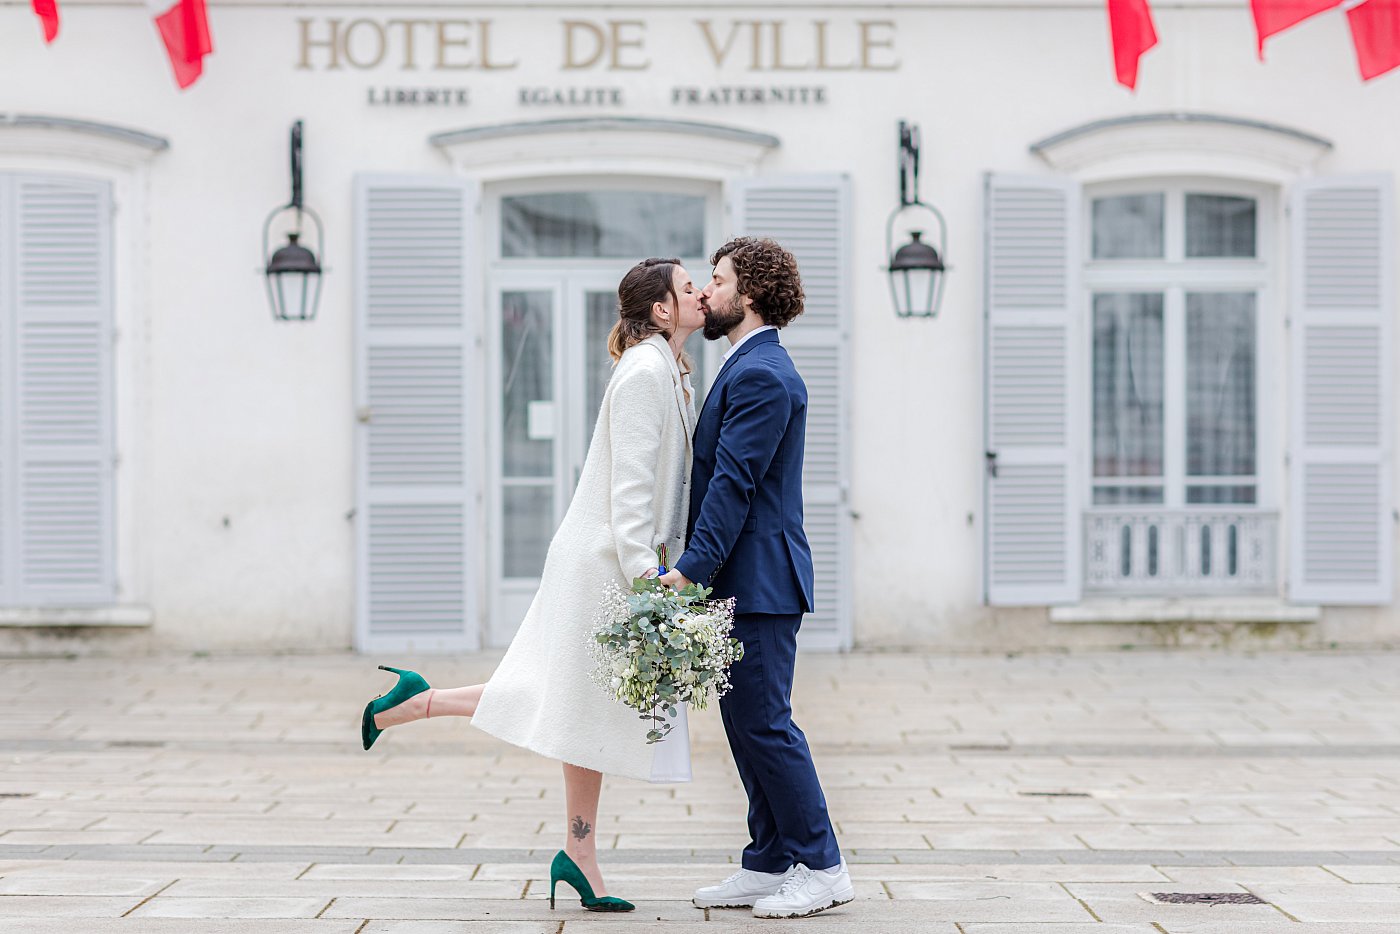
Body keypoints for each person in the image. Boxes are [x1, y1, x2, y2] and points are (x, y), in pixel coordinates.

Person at [360, 258, 703, 913]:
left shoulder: (669, 370)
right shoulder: (644, 374)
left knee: (572, 704)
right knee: (574, 706)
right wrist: (648, 582)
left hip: (616, 560)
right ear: (661, 309)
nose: (700, 296)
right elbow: (630, 492)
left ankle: (418, 703)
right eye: (689, 288)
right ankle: (577, 852)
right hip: (605, 565)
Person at [659, 237, 852, 920]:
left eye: (717, 280)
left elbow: (734, 486)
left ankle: (822, 864)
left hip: (762, 580)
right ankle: (770, 860)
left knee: (766, 724)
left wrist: (688, 569)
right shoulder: (745, 365)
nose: (705, 292)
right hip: (744, 580)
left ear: (752, 294)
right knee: (743, 724)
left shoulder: (764, 374)